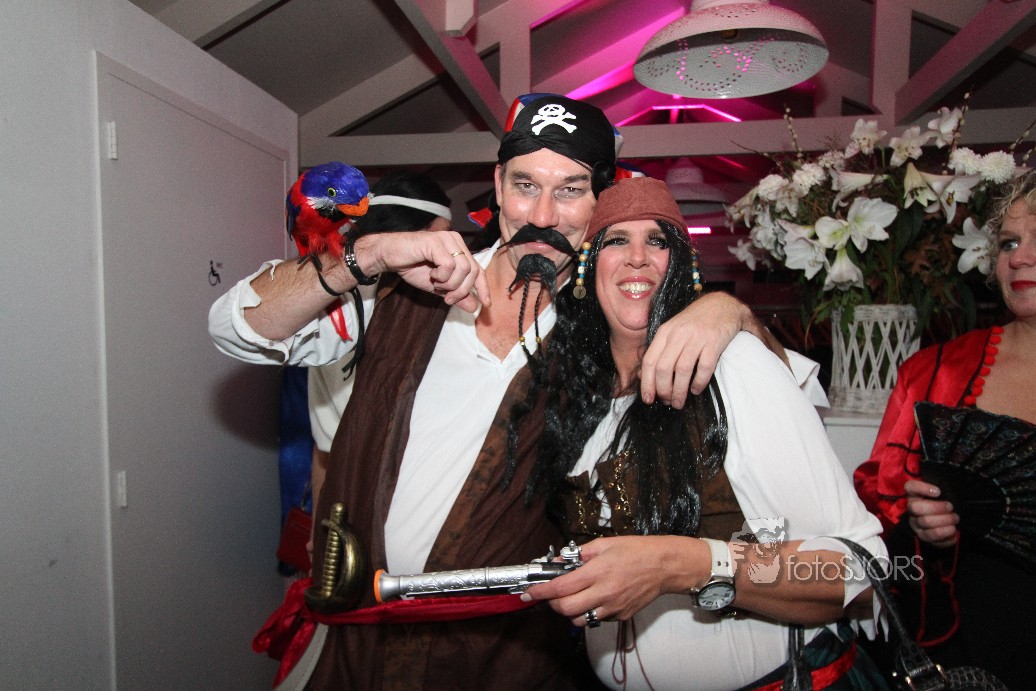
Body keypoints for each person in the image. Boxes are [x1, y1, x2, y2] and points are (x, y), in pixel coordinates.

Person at [210, 94, 777, 690]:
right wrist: (369, 254)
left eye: (571, 190)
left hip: (498, 662)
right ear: (499, 183)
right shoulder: (404, 287)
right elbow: (235, 328)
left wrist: (727, 309)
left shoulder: (613, 331)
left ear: (601, 201)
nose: (542, 215)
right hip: (353, 645)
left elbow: (780, 387)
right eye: (526, 185)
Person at [515, 177, 888, 691]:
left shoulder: (732, 366)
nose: (638, 258)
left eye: (658, 241)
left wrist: (681, 565)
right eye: (617, 240)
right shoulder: (577, 400)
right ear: (586, 267)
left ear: (683, 265)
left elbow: (860, 572)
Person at [853, 169, 1036, 690]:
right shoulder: (936, 373)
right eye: (1009, 243)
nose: (1019, 258)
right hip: (967, 657)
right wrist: (919, 522)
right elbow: (876, 507)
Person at [307, 170, 454, 508]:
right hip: (400, 493)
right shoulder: (420, 303)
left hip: (340, 487)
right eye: (443, 234)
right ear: (416, 235)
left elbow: (323, 449)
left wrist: (320, 525)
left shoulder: (327, 289)